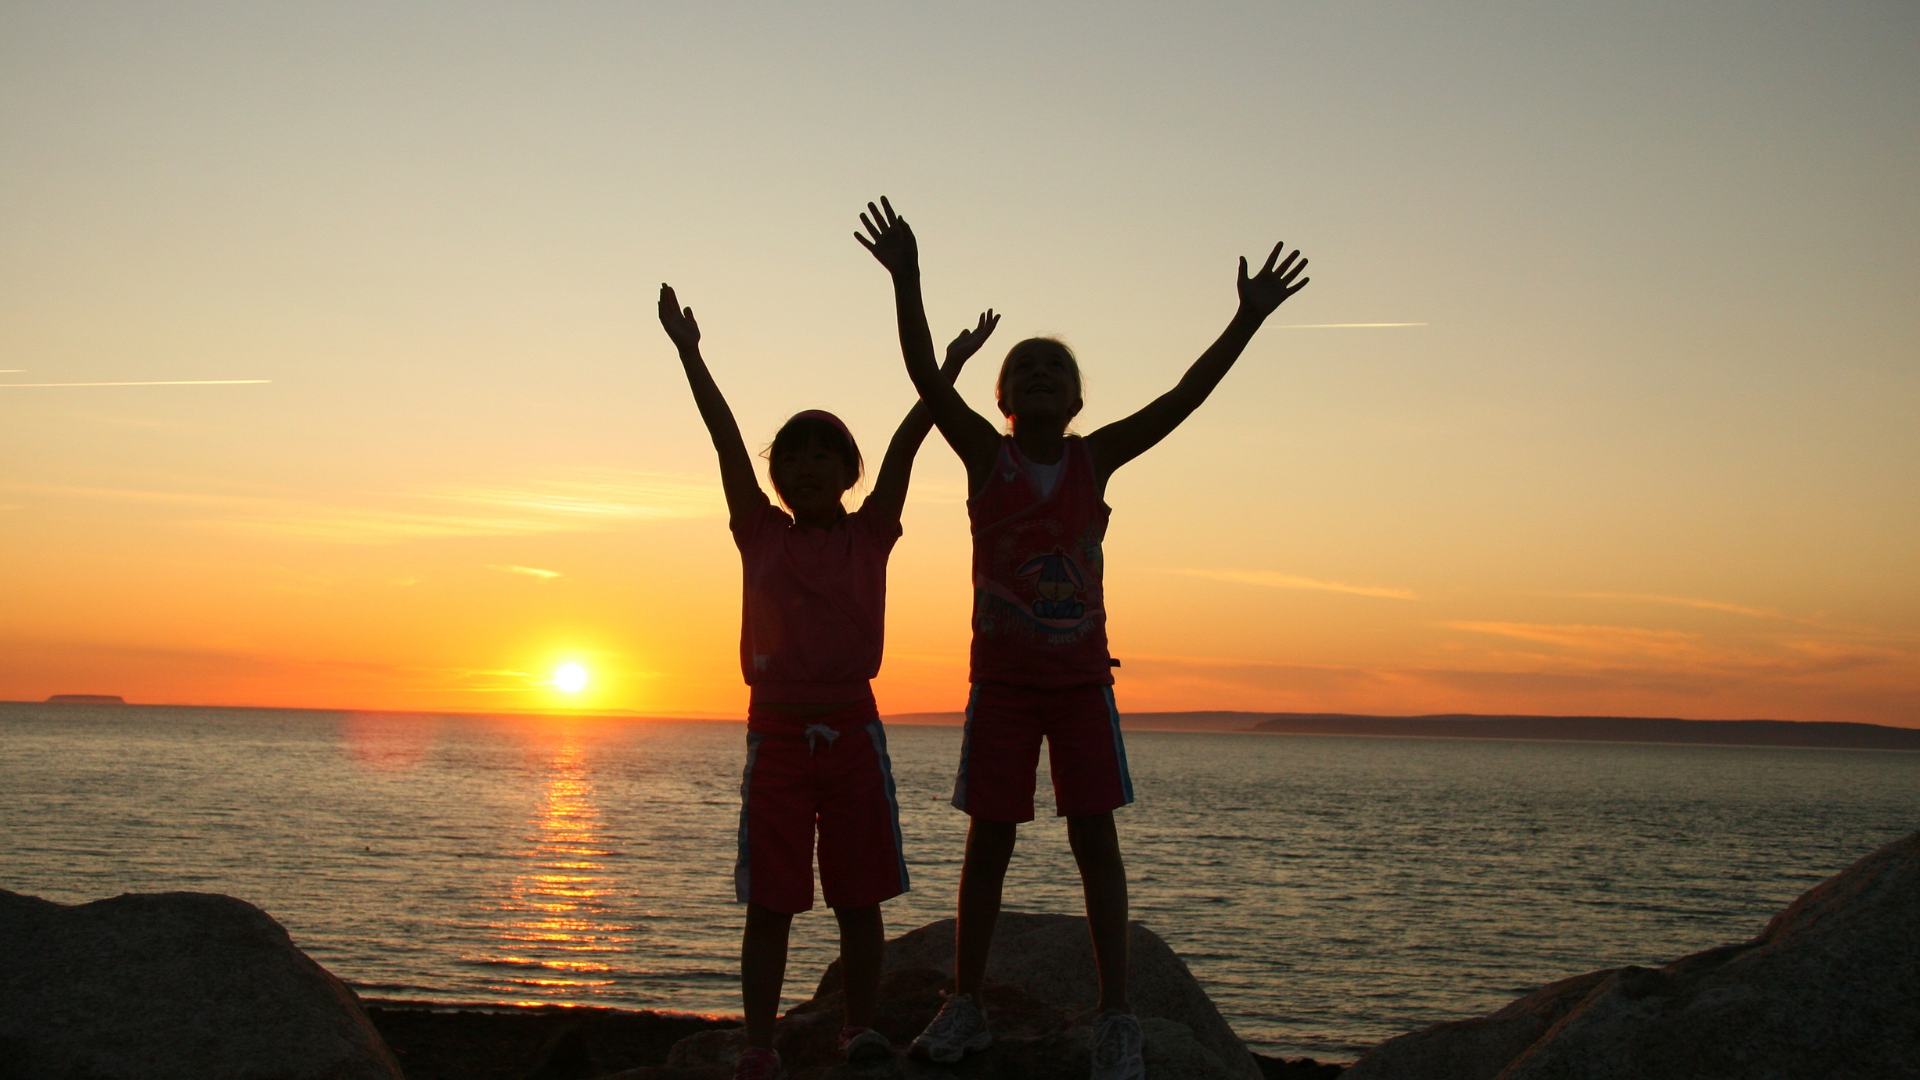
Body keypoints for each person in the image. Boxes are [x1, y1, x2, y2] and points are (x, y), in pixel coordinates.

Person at [855, 198, 1309, 1079]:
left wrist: (1245, 319)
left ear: (1076, 398)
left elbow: (1184, 397)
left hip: (1081, 689)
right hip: (1001, 686)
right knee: (988, 839)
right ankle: (967, 1003)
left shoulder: (1096, 459)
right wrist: (908, 279)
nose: (1036, 378)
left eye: (1053, 371)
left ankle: (1116, 1014)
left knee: (1094, 837)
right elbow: (924, 377)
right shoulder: (988, 457)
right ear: (1003, 396)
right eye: (1023, 370)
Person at [657, 283, 999, 1080]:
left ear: (849, 472)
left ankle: (857, 1030)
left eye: (825, 454)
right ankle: (759, 1046)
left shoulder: (871, 532)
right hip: (775, 733)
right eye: (794, 454)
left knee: (859, 895)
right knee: (772, 901)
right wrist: (690, 353)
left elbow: (914, 439)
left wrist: (945, 370)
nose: (806, 465)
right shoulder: (758, 531)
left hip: (852, 730)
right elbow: (726, 440)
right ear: (777, 476)